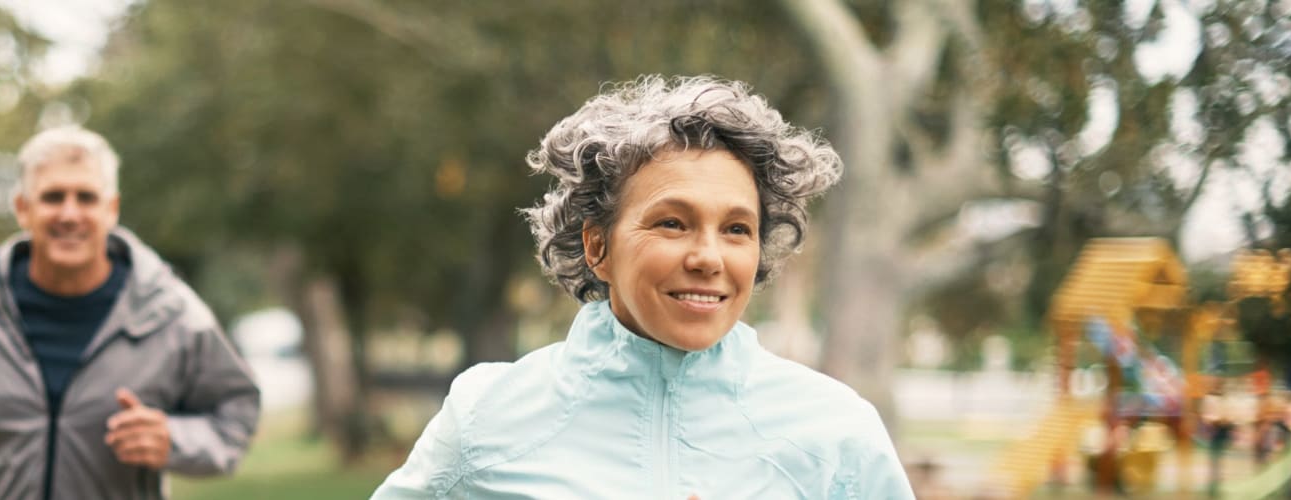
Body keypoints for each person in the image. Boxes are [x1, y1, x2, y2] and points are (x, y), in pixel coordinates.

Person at [372, 75, 913, 498]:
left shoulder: (835, 429)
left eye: (736, 230)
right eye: (672, 223)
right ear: (597, 247)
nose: (708, 257)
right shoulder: (488, 416)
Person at [0, 126, 260, 500]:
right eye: (53, 197)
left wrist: (175, 439)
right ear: (23, 208)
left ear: (111, 209)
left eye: (86, 197)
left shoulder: (172, 315)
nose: (70, 214)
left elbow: (237, 413)